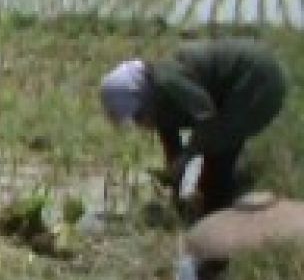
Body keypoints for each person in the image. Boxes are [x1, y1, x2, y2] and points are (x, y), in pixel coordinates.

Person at [100, 39, 288, 218]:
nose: (139, 122)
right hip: (234, 91)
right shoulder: (159, 103)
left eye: (137, 114)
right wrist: (174, 184)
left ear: (143, 95)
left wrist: (188, 156)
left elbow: (206, 115)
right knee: (217, 147)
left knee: (219, 152)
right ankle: (217, 203)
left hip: (257, 79)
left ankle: (221, 214)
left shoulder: (169, 81)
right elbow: (172, 145)